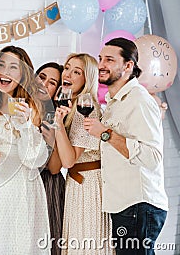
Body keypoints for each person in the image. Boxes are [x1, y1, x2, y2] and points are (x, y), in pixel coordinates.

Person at [84, 37, 168, 254]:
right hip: (124, 205)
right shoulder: (115, 102)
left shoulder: (139, 100)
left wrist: (105, 133)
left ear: (128, 66)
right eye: (101, 58)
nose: (101, 65)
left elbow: (152, 156)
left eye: (110, 60)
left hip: (138, 205)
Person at [0, 46, 50, 255]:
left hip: (22, 187)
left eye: (14, 67)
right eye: (1, 65)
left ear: (23, 75)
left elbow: (34, 159)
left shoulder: (30, 106)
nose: (6, 71)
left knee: (21, 244)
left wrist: (26, 126)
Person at [48, 53, 114, 254]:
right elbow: (58, 164)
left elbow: (68, 160)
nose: (68, 74)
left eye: (77, 72)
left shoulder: (86, 109)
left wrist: (57, 124)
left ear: (88, 79)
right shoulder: (69, 106)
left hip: (88, 184)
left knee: (87, 243)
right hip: (76, 184)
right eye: (67, 68)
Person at [35, 62, 65, 255]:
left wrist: (52, 140)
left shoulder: (55, 117)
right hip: (19, 185)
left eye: (52, 82)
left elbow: (55, 168)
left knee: (48, 243)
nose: (44, 84)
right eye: (42, 77)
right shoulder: (16, 105)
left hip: (48, 187)